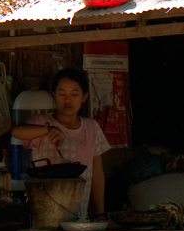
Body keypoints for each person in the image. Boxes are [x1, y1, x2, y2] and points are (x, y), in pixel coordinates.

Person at [12, 68, 111, 221]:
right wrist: (47, 130)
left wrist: (99, 214)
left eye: (74, 94)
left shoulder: (92, 128)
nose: (67, 100)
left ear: (84, 97)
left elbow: (97, 175)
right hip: (45, 214)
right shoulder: (42, 122)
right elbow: (17, 132)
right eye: (62, 94)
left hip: (79, 216)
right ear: (54, 96)